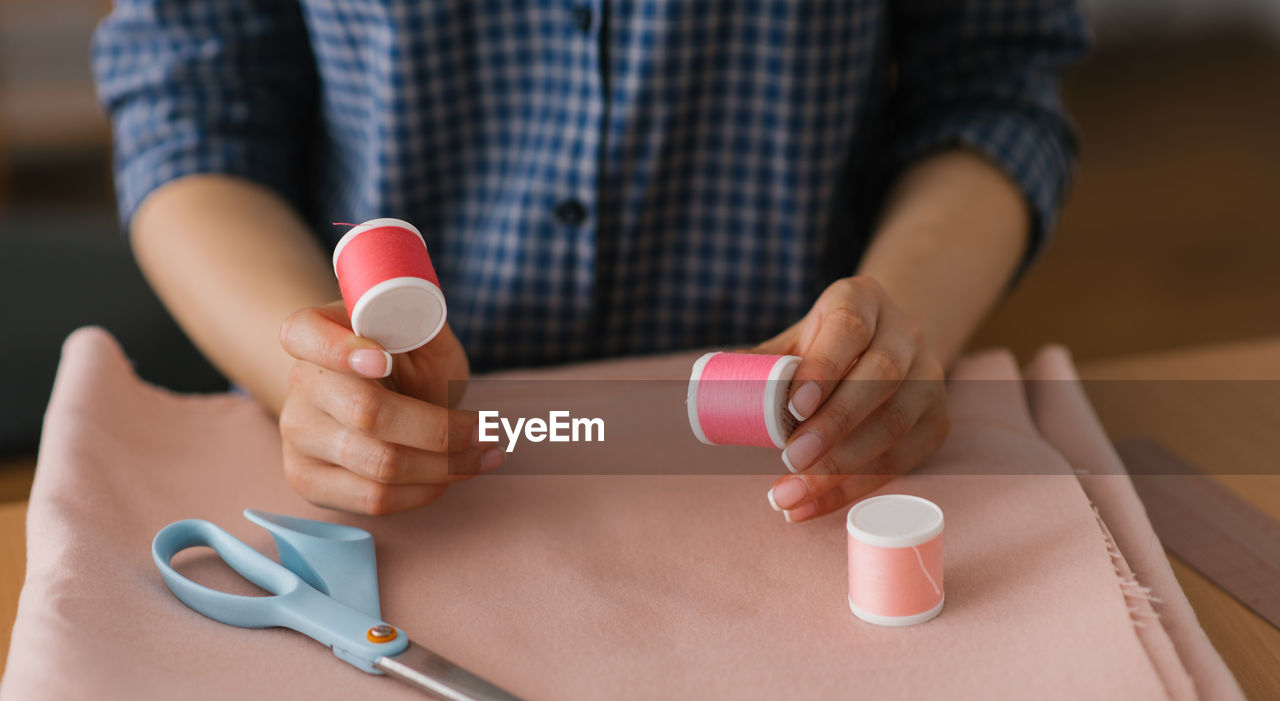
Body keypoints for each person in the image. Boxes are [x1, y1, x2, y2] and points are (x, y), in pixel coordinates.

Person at [93, 1, 1090, 519]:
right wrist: (313, 383)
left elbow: (990, 84)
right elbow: (191, 117)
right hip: (387, 499)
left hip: (784, 465)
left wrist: (898, 329)